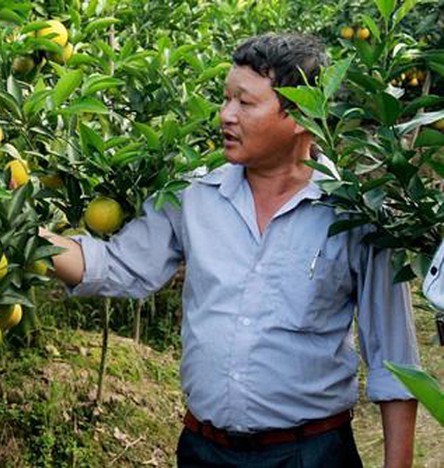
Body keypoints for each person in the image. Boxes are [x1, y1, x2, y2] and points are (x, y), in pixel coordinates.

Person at [40, 33, 419, 467]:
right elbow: (120, 265)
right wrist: (28, 243)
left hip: (310, 453)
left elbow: (395, 362)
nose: (226, 116)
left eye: (245, 103)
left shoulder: (354, 212)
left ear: (297, 114)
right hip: (205, 450)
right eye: (225, 100)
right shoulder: (194, 195)